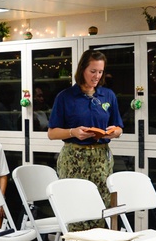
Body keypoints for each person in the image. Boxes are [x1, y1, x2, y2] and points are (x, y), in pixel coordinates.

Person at [47, 49, 124, 228]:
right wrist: (73, 132)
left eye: (100, 72)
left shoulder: (108, 95)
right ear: (82, 69)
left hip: (101, 159)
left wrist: (115, 132)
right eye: (93, 71)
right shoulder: (65, 97)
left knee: (101, 204)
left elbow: (119, 127)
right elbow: (52, 133)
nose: (97, 76)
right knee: (75, 205)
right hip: (74, 158)